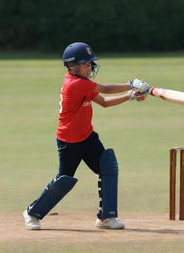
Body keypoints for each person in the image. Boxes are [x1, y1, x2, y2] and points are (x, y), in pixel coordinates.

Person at [23, 42, 150, 230]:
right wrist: (130, 84)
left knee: (108, 168)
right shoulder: (75, 84)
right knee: (64, 180)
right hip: (69, 141)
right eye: (87, 63)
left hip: (88, 137)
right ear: (74, 65)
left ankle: (106, 218)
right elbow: (106, 89)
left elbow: (104, 102)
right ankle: (32, 213)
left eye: (91, 63)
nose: (91, 67)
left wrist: (130, 96)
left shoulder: (82, 84)